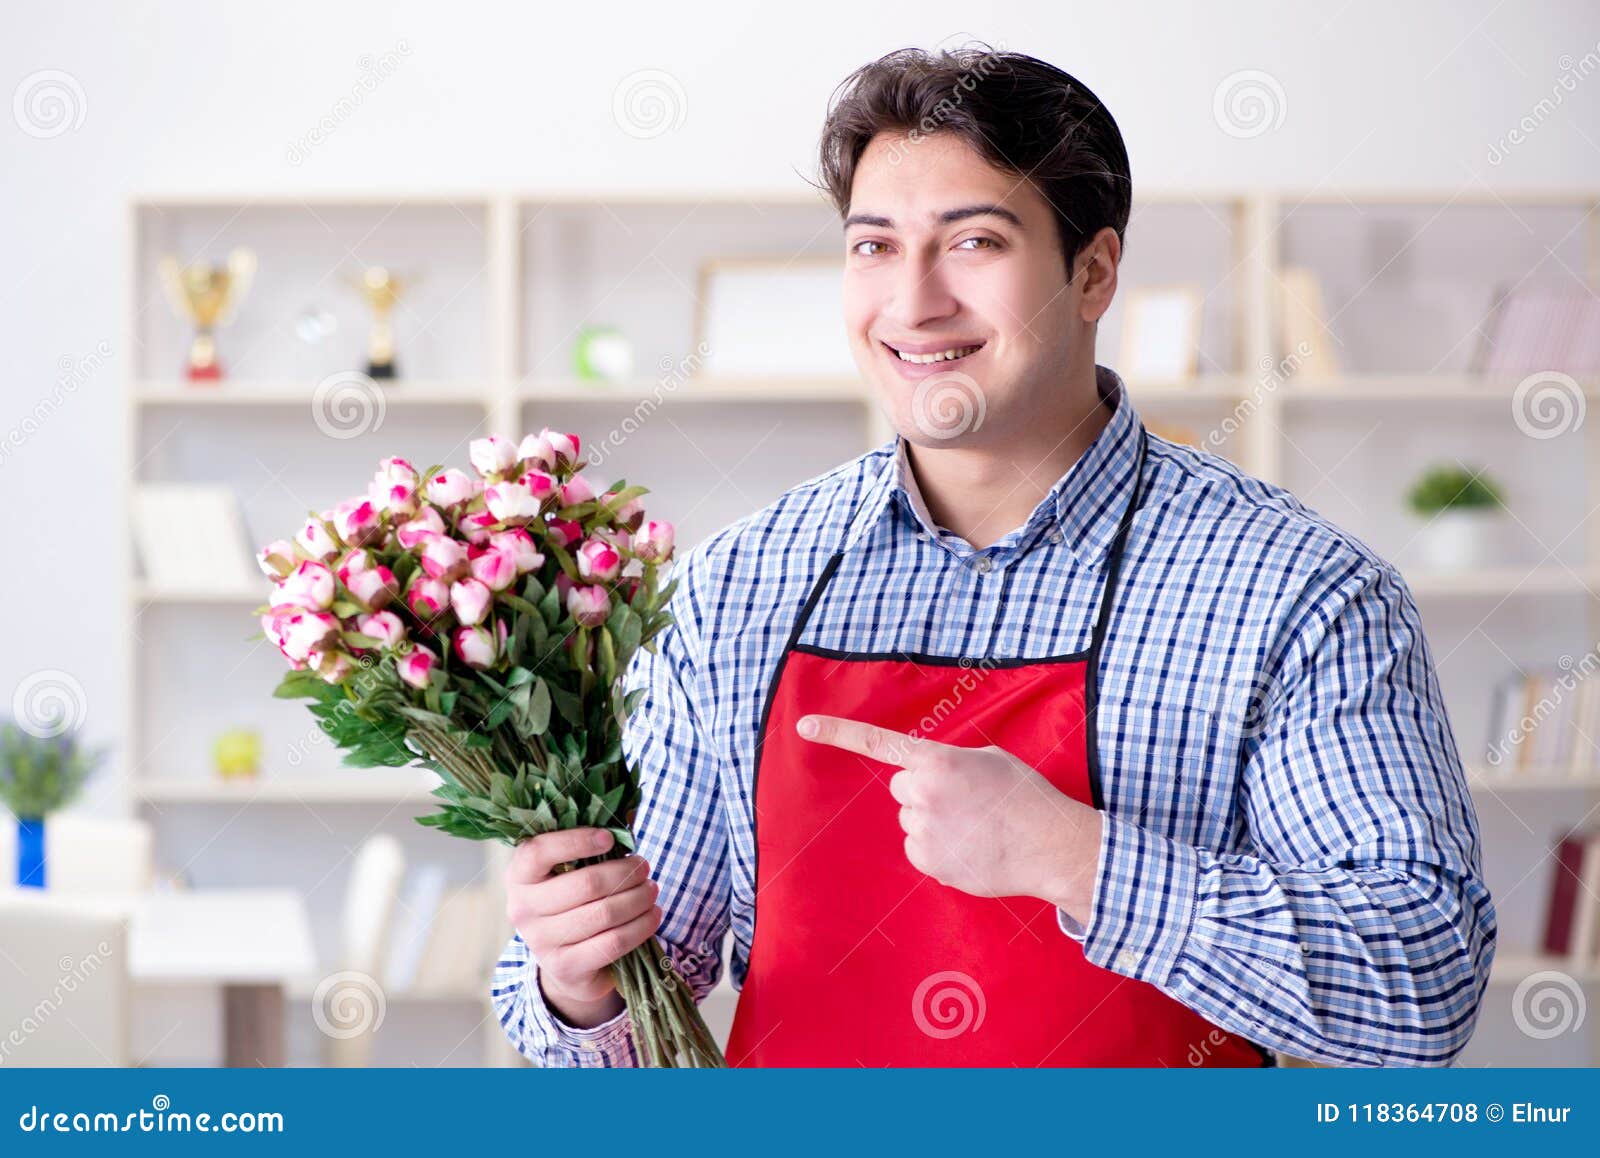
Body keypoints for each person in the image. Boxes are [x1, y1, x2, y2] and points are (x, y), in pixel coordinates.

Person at [492, 45, 1495, 1067]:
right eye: (874, 247)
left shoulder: (1298, 591)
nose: (914, 302)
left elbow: (1421, 991)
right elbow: (642, 1005)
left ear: (1093, 270)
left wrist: (1075, 858)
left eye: (972, 242)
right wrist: (574, 984)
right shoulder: (736, 585)